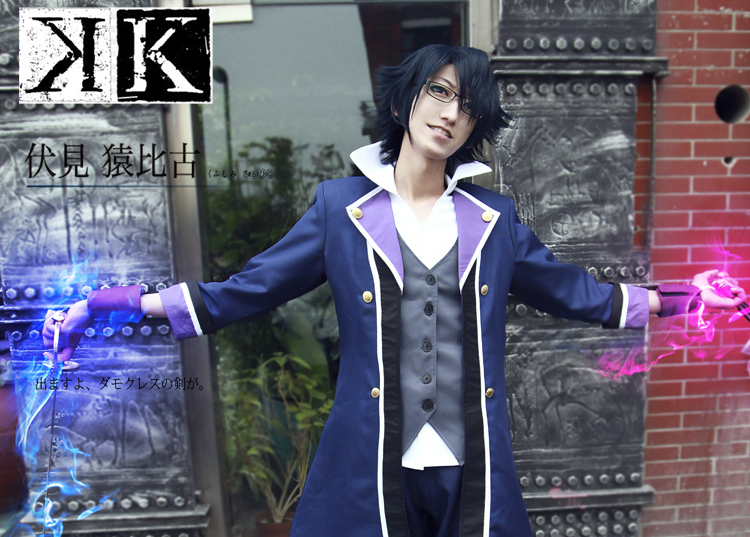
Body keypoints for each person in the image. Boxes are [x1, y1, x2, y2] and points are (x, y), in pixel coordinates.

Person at [44, 45, 746, 537]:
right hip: (373, 467)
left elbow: (579, 293)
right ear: (406, 98)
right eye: (438, 91)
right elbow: (241, 293)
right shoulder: (340, 210)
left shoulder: (493, 220)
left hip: (470, 470)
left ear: (475, 126)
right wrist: (106, 306)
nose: (449, 113)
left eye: (466, 105)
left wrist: (689, 297)